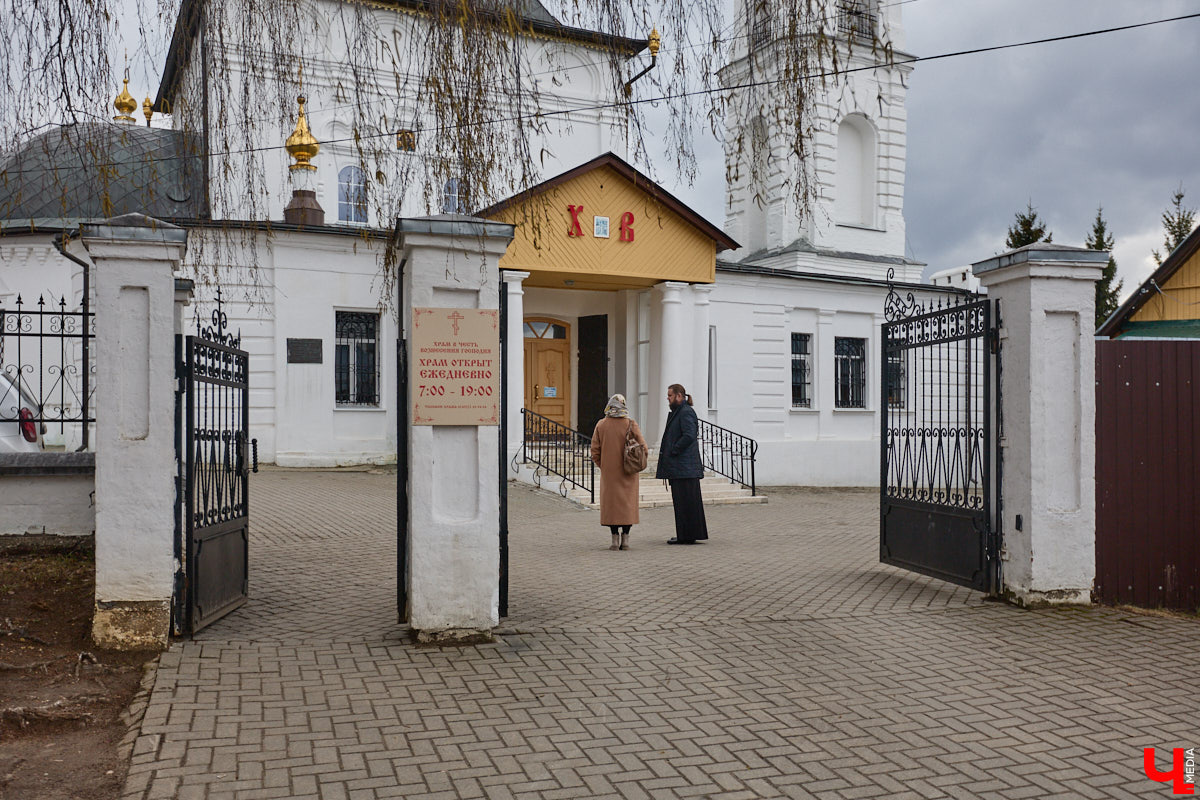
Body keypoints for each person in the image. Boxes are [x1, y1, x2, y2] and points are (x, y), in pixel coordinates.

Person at [590, 393, 647, 551]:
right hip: (629, 472)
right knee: (627, 505)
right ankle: (626, 540)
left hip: (610, 475)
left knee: (612, 506)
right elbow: (643, 448)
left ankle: (614, 540)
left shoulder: (601, 425)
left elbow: (594, 451)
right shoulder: (630, 423)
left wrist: (605, 465)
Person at [656, 383, 709, 544]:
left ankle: (687, 535)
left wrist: (674, 449)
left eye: (670, 395)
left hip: (685, 467)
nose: (668, 398)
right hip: (682, 468)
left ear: (679, 396)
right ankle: (686, 534)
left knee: (686, 502)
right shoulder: (680, 412)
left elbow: (689, 435)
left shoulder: (685, 412)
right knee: (683, 503)